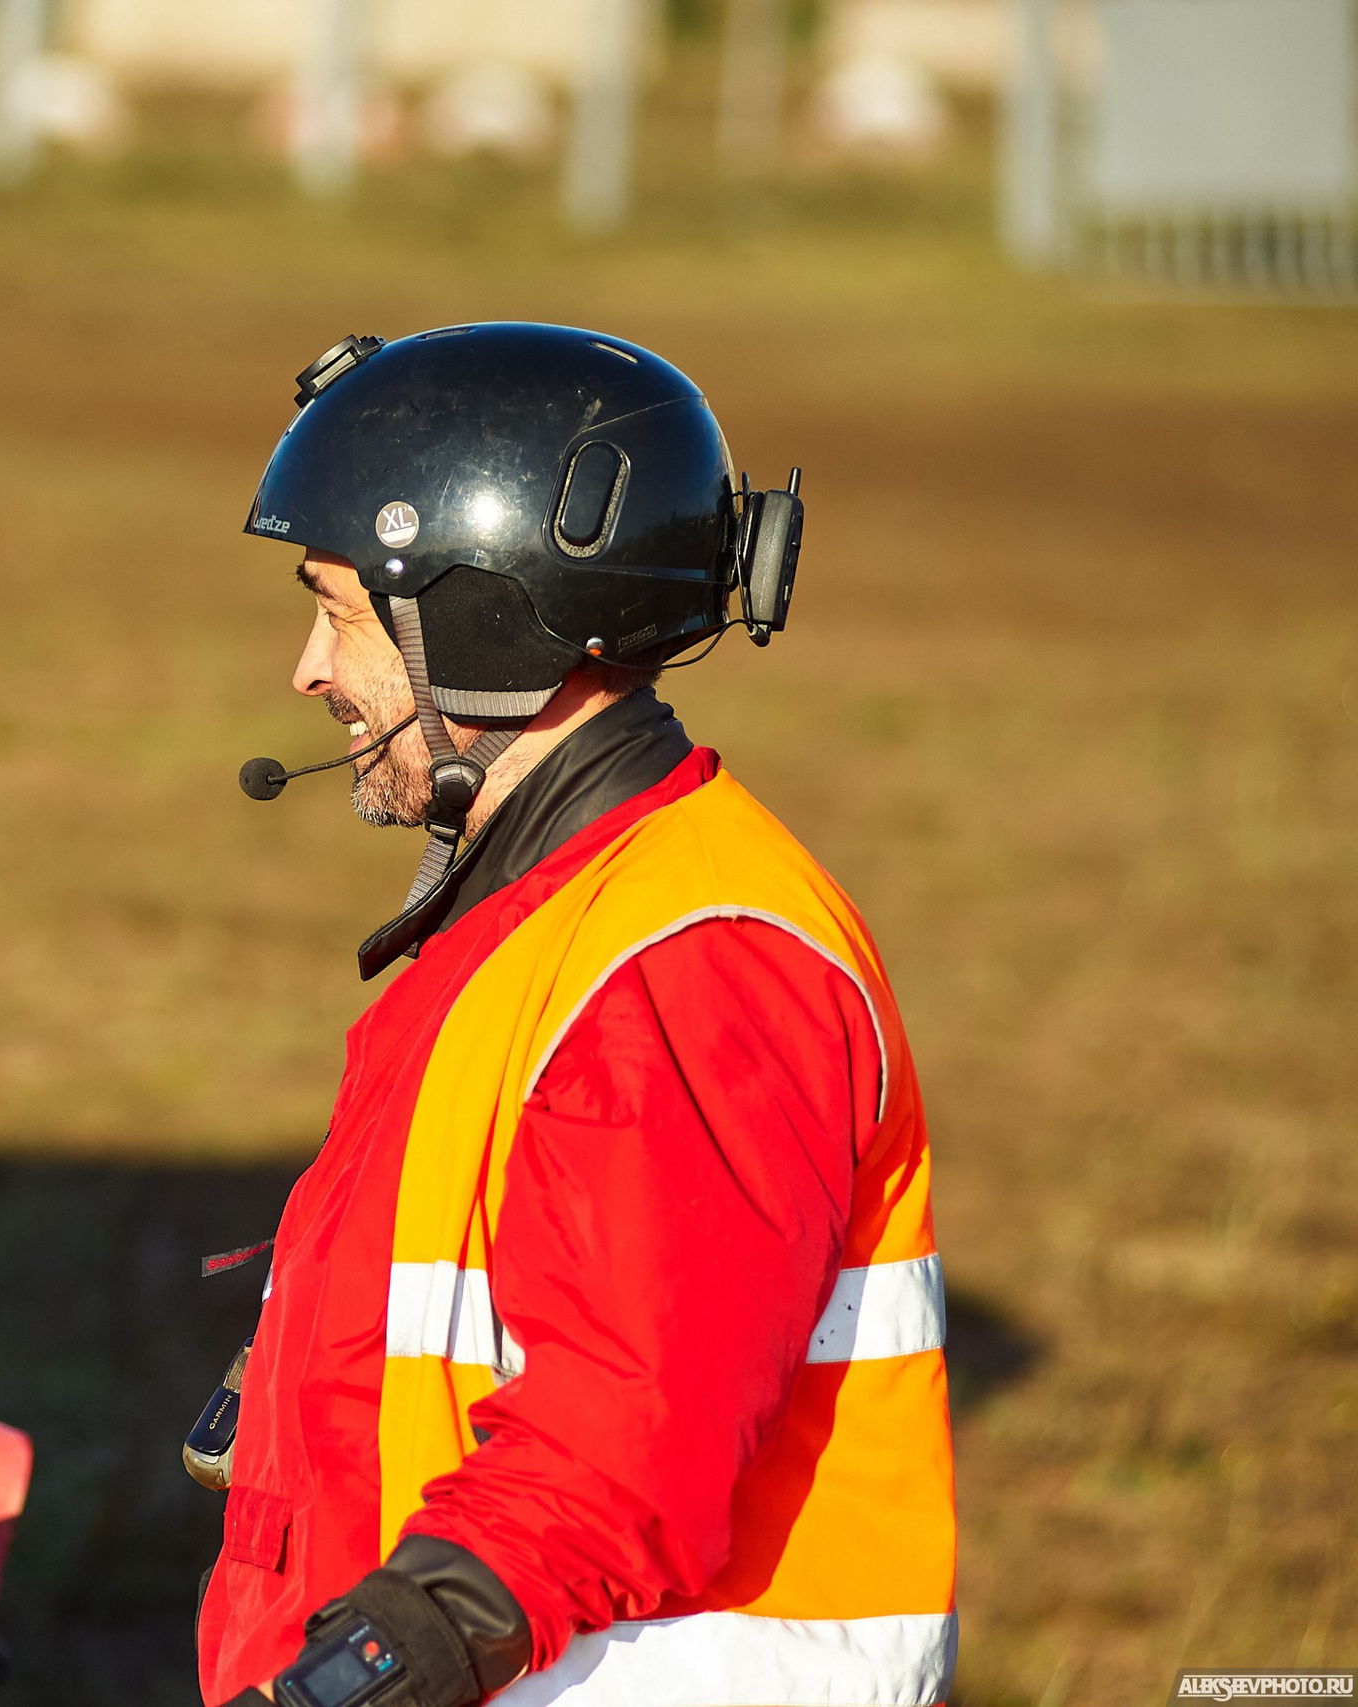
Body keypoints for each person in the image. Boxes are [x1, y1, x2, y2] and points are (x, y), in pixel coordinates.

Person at [200, 324, 954, 1707]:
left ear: (492, 620)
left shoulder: (687, 964)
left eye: (342, 609)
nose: (310, 669)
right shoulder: (549, 914)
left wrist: (341, 1686)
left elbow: (620, 1455)